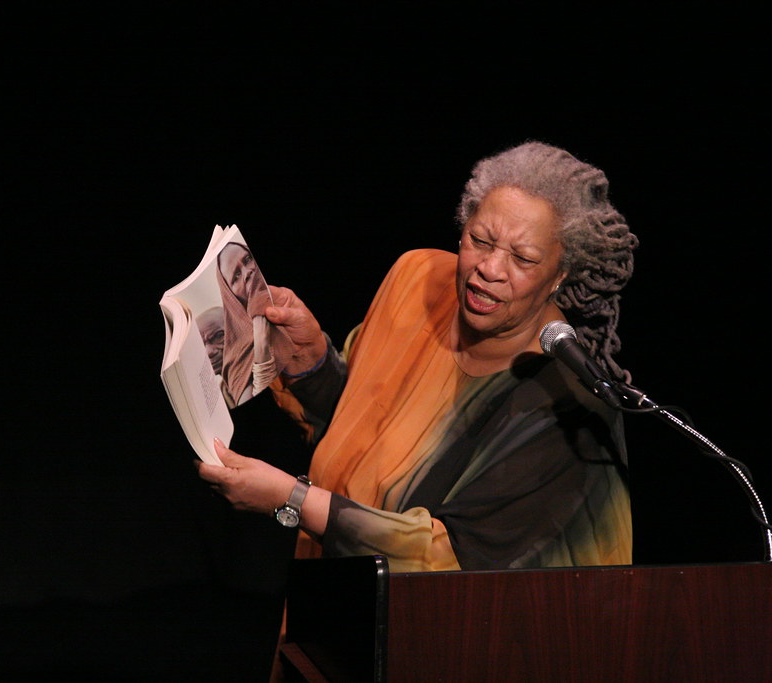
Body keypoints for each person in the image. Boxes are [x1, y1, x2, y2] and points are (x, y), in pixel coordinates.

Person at [197, 140, 638, 577]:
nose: (490, 268)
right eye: (480, 240)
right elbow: (361, 441)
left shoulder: (566, 400)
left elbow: (452, 558)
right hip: (330, 594)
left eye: (523, 258)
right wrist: (307, 361)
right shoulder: (418, 279)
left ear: (560, 275)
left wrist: (290, 500)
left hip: (442, 630)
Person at [215, 241, 290, 407]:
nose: (248, 272)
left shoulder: (285, 298)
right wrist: (261, 348)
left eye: (248, 259)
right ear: (231, 297)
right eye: (236, 276)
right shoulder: (236, 357)